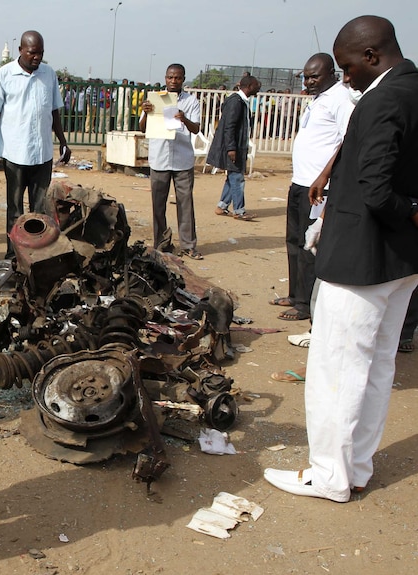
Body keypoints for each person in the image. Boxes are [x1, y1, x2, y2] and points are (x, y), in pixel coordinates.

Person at [264, 15, 418, 502]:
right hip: (401, 264)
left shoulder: (381, 101)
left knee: (336, 369)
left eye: (349, 67)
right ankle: (356, 467)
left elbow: (375, 189)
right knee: (375, 368)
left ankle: (329, 475)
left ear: (372, 56)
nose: (344, 76)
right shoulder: (413, 88)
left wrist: (410, 214)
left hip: (360, 261)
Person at [272, 53, 354, 322]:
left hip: (318, 189)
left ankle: (306, 303)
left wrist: (324, 176)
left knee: (309, 246)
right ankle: (295, 294)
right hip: (300, 183)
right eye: (306, 77)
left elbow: (348, 141)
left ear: (332, 73)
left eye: (314, 76)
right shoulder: (317, 100)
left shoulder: (341, 99)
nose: (309, 82)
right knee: (293, 242)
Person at [0, 30, 71, 259]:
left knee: (40, 210)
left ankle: (36, 256)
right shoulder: (4, 75)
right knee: (15, 209)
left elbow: (55, 112)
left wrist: (63, 141)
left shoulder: (49, 74)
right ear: (20, 50)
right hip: (14, 154)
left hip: (42, 155)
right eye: (32, 53)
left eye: (40, 53)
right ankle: (14, 255)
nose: (37, 57)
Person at [139, 64, 203, 260]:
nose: (173, 81)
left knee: (185, 203)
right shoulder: (155, 99)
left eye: (177, 78)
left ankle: (188, 245)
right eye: (170, 77)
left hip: (182, 160)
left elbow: (196, 129)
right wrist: (146, 112)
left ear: (183, 79)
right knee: (158, 204)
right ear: (165, 78)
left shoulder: (191, 101)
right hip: (159, 159)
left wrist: (184, 119)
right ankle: (161, 243)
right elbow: (142, 128)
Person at [208, 74, 261, 221]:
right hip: (233, 147)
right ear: (249, 86)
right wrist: (231, 148)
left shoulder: (240, 101)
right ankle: (239, 210)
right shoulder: (236, 102)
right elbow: (229, 127)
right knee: (237, 178)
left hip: (237, 146)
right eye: (257, 85)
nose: (259, 87)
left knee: (232, 177)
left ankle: (222, 206)